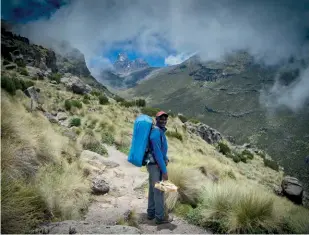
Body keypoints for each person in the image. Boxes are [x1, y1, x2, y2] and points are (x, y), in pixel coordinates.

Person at [145, 110, 173, 224]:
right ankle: (160, 217)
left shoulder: (159, 131)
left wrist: (165, 157)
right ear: (156, 120)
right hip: (156, 166)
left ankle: (151, 213)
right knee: (159, 191)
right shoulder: (156, 133)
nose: (163, 120)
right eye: (161, 118)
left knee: (153, 190)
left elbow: (160, 151)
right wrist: (164, 171)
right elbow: (157, 153)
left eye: (165, 119)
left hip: (152, 165)